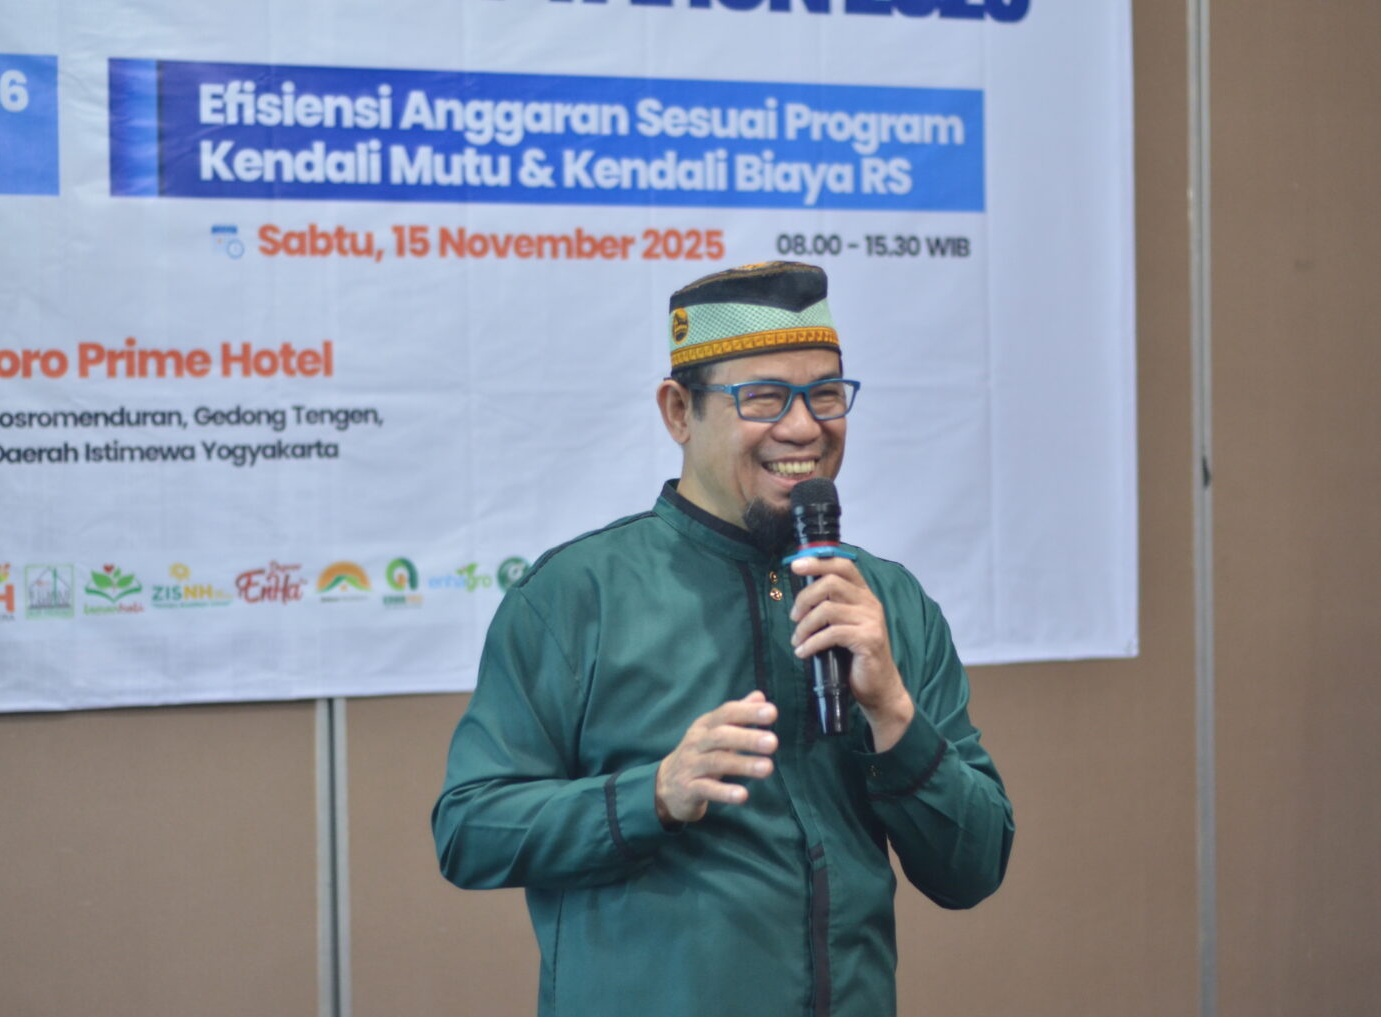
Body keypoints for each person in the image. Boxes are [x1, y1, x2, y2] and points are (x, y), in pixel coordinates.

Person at [433, 261, 1013, 1017]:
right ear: (679, 411)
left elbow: (973, 869)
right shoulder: (575, 597)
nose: (803, 427)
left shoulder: (888, 603)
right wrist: (653, 795)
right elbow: (470, 829)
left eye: (826, 395)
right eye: (763, 397)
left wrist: (894, 714)